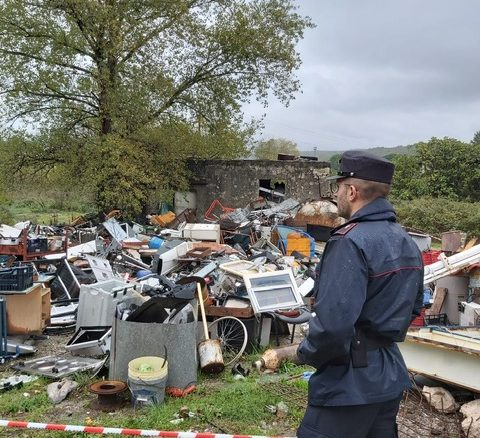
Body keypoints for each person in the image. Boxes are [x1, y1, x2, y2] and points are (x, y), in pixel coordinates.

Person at [297, 150, 424, 438]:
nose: (337, 194)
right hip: (388, 376)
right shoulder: (406, 241)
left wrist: (306, 353)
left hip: (348, 384)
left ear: (351, 191)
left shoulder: (350, 241)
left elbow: (332, 327)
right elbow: (415, 307)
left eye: (338, 187)